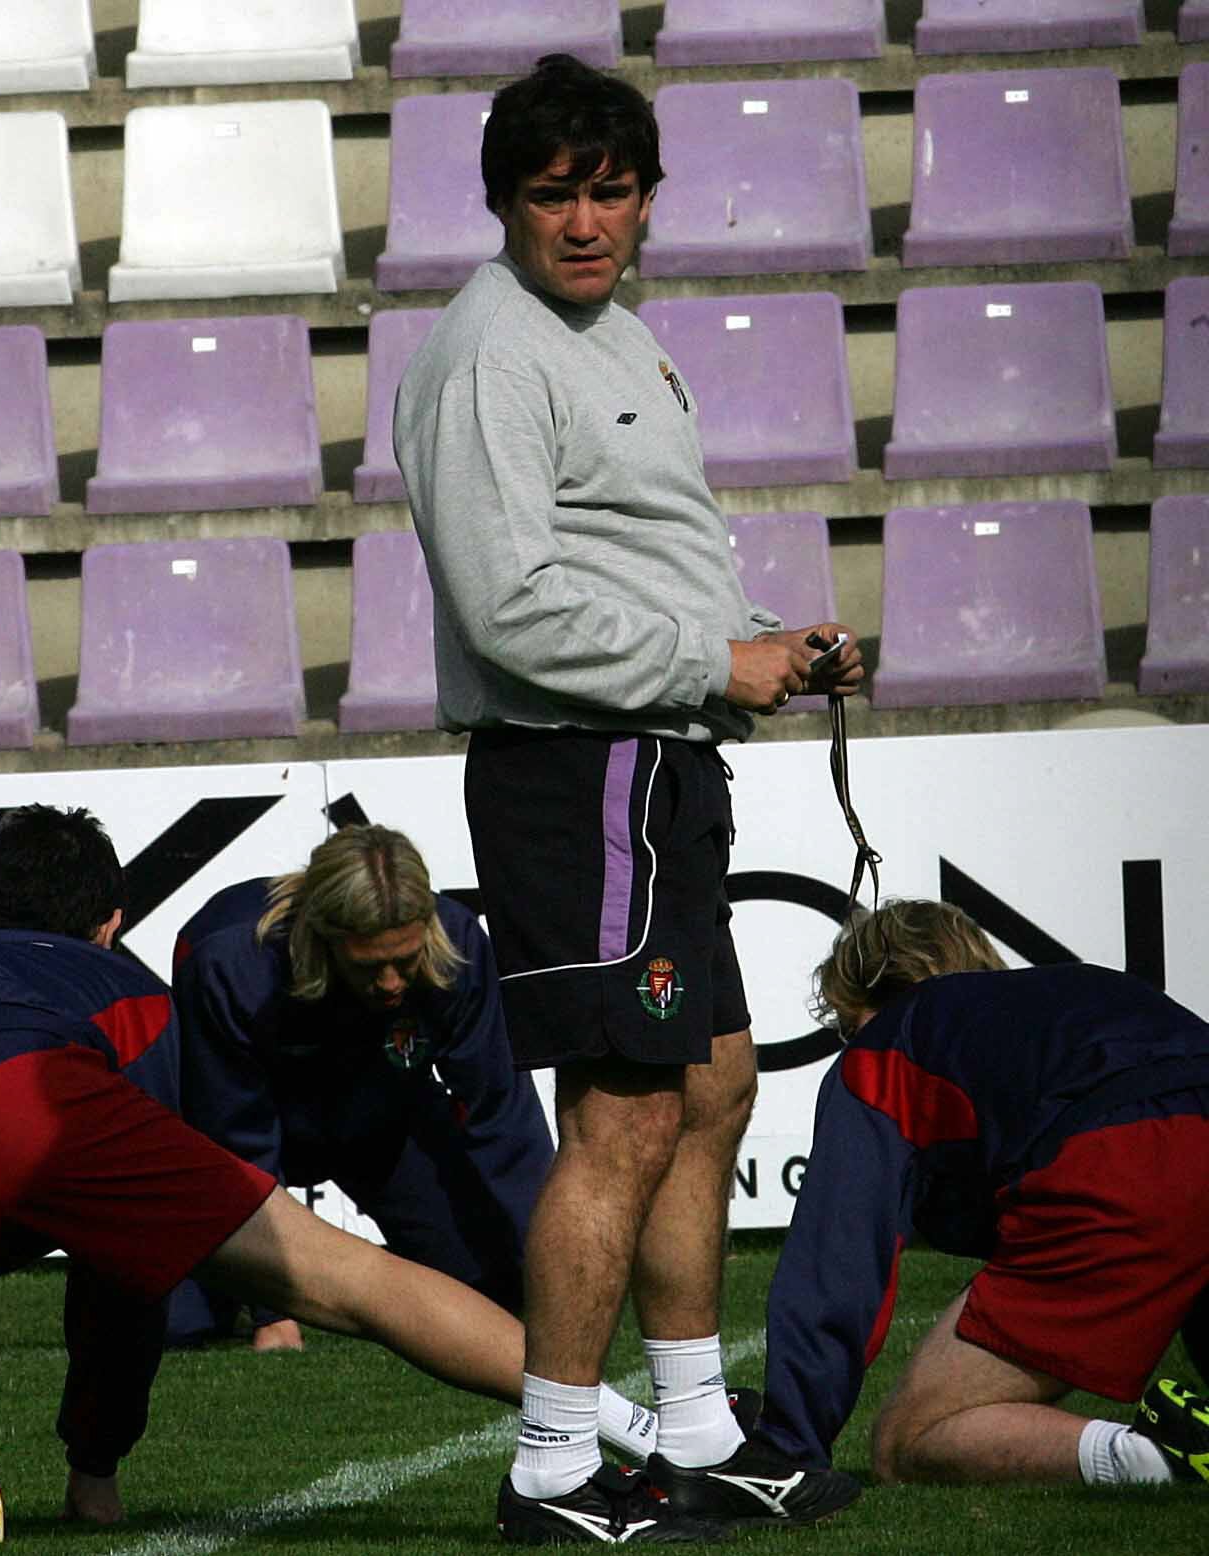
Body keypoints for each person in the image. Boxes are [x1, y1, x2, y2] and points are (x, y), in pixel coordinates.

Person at [393, 51, 865, 1544]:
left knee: (712, 1086)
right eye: (554, 195)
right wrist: (713, 662)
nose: (586, 221)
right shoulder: (491, 354)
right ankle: (552, 1468)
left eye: (611, 190)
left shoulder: (621, 336)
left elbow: (634, 566)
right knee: (618, 1119)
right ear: (504, 203)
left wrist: (765, 647)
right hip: (575, 766)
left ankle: (700, 1429)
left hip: (654, 759)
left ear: (648, 198)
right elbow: (511, 605)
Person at [0, 807, 662, 1545]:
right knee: (351, 1280)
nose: (388, 983)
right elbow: (125, 1267)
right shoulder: (146, 985)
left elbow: (497, 1120)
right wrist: (98, 1456)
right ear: (109, 925)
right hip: (48, 1087)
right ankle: (641, 1428)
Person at [746, 897, 1209, 1493]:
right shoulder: (1081, 992)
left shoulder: (890, 1042)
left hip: (1122, 1166)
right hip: (1173, 1117)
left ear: (871, 998)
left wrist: (789, 1443)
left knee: (908, 1439)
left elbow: (840, 1253)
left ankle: (1157, 1457)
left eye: (844, 1025)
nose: (846, 1042)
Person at [165, 823, 554, 1351]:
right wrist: (273, 1310)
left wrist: (549, 1265)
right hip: (238, 1144)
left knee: (492, 1286)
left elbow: (503, 1113)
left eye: (405, 961)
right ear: (324, 937)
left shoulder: (457, 946)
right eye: (371, 966)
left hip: (384, 1124)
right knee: (176, 1325)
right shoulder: (231, 962)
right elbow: (236, 1136)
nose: (393, 983)